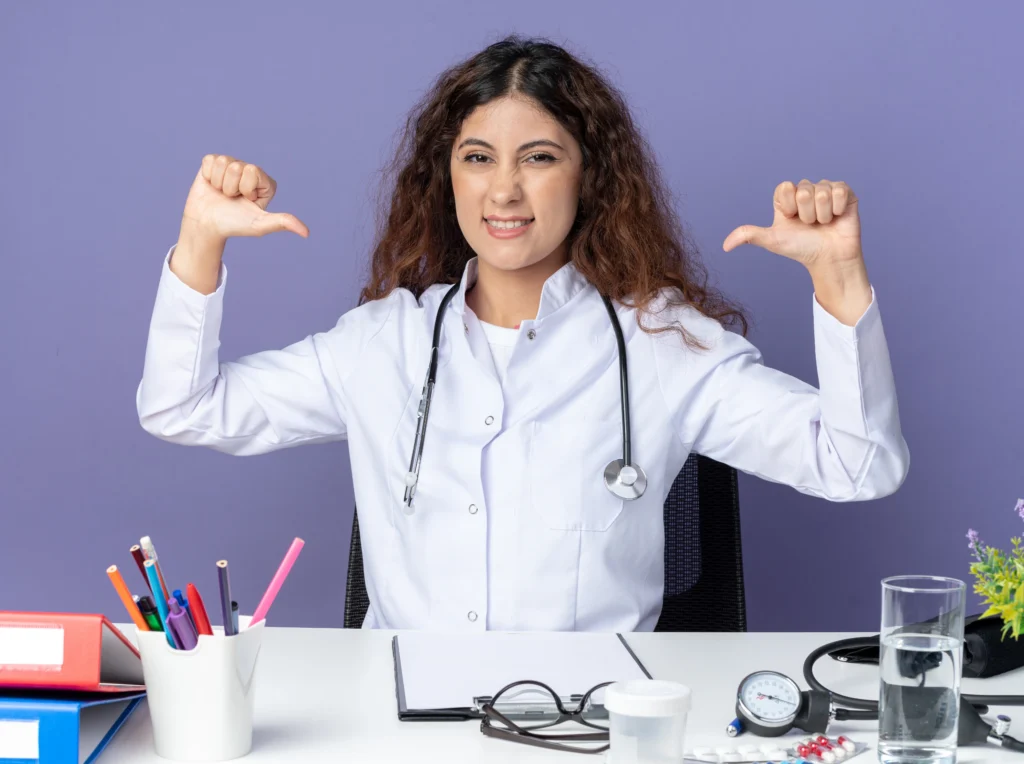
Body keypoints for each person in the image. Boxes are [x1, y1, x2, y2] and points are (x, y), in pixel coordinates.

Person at [137, 36, 909, 632]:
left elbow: (857, 466)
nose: (503, 189)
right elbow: (181, 407)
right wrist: (201, 239)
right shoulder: (381, 345)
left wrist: (837, 276)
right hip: (399, 727)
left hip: (592, 724)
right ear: (450, 178)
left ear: (589, 177)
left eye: (538, 158)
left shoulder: (662, 343)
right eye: (478, 158)